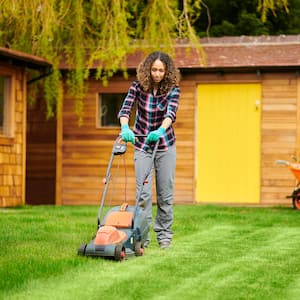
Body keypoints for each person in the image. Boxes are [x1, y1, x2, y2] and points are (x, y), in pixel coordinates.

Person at [118, 51, 180, 249]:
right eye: (154, 69)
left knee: (165, 193)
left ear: (167, 72)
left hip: (165, 146)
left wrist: (161, 129)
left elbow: (171, 112)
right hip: (143, 145)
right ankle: (142, 238)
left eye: (161, 70)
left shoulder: (173, 89)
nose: (157, 74)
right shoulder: (137, 87)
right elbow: (126, 109)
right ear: (148, 70)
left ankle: (164, 237)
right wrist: (125, 127)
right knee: (143, 194)